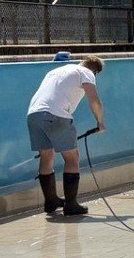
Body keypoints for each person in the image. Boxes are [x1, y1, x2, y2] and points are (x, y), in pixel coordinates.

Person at [28, 54, 106, 215]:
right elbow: (94, 100)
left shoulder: (57, 71)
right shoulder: (87, 73)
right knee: (72, 157)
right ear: (95, 71)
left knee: (46, 156)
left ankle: (51, 202)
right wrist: (100, 122)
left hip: (34, 114)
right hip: (56, 115)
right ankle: (71, 205)